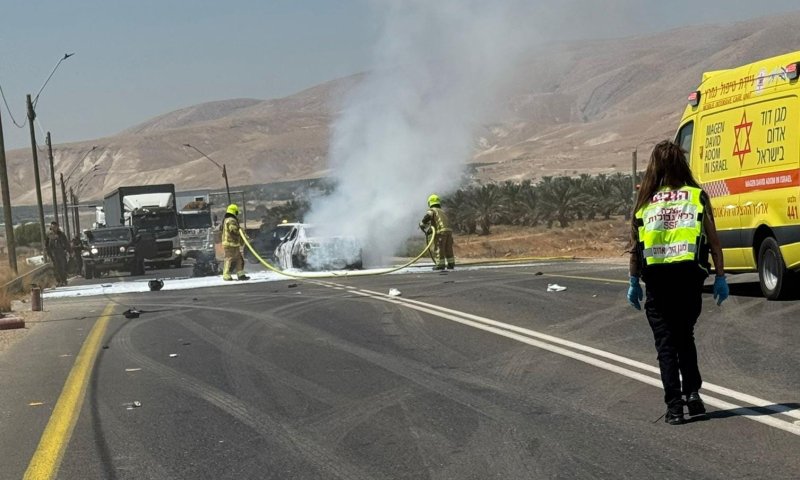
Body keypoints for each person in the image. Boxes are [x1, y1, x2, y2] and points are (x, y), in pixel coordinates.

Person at [627, 140, 729, 425]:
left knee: (666, 345)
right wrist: (720, 277)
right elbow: (715, 242)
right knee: (685, 336)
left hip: (658, 282)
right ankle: (693, 396)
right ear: (681, 164)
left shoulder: (645, 202)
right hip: (689, 280)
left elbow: (636, 248)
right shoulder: (696, 196)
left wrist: (633, 281)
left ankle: (675, 407)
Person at [419, 194, 455, 271]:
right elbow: (437, 223)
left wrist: (422, 223)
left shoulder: (433, 210)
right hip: (448, 231)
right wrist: (429, 231)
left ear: (430, 203)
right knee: (448, 248)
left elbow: (428, 217)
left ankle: (440, 265)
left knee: (439, 248)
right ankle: (451, 264)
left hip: (441, 232)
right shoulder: (442, 211)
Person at [221, 204, 250, 281]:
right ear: (234, 211)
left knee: (239, 259)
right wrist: (241, 232)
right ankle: (226, 275)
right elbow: (234, 230)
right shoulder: (231, 220)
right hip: (230, 244)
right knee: (229, 259)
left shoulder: (227, 219)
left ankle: (240, 274)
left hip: (233, 244)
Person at [45, 221, 70, 286]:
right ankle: (59, 281)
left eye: (55, 227)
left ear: (57, 227)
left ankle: (64, 280)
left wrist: (69, 251)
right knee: (56, 268)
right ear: (51, 227)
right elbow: (46, 245)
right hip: (53, 254)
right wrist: (48, 254)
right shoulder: (49, 235)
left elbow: (66, 243)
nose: (54, 228)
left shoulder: (61, 234)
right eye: (52, 227)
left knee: (63, 267)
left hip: (61, 253)